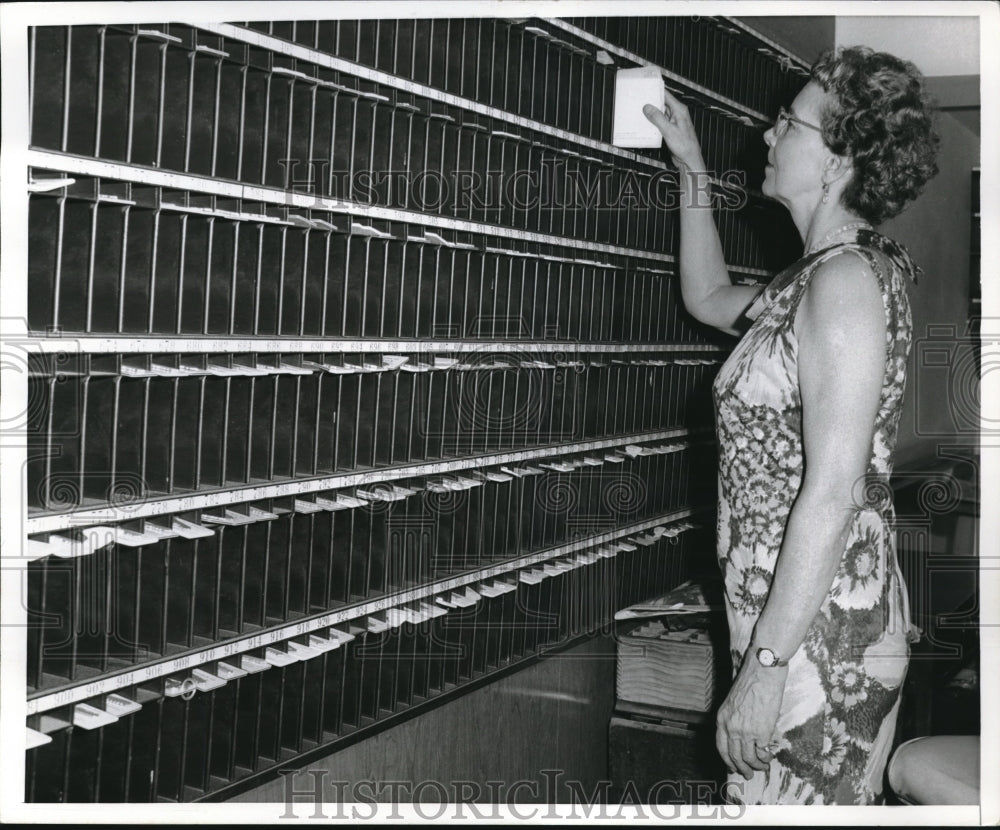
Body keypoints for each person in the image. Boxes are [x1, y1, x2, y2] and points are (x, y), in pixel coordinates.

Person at [643, 45, 940, 805]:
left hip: (815, 642)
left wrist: (765, 672)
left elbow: (834, 491)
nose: (769, 134)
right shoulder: (818, 277)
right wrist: (691, 171)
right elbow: (708, 296)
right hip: (796, 621)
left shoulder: (843, 282)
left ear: (838, 159)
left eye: (790, 122)